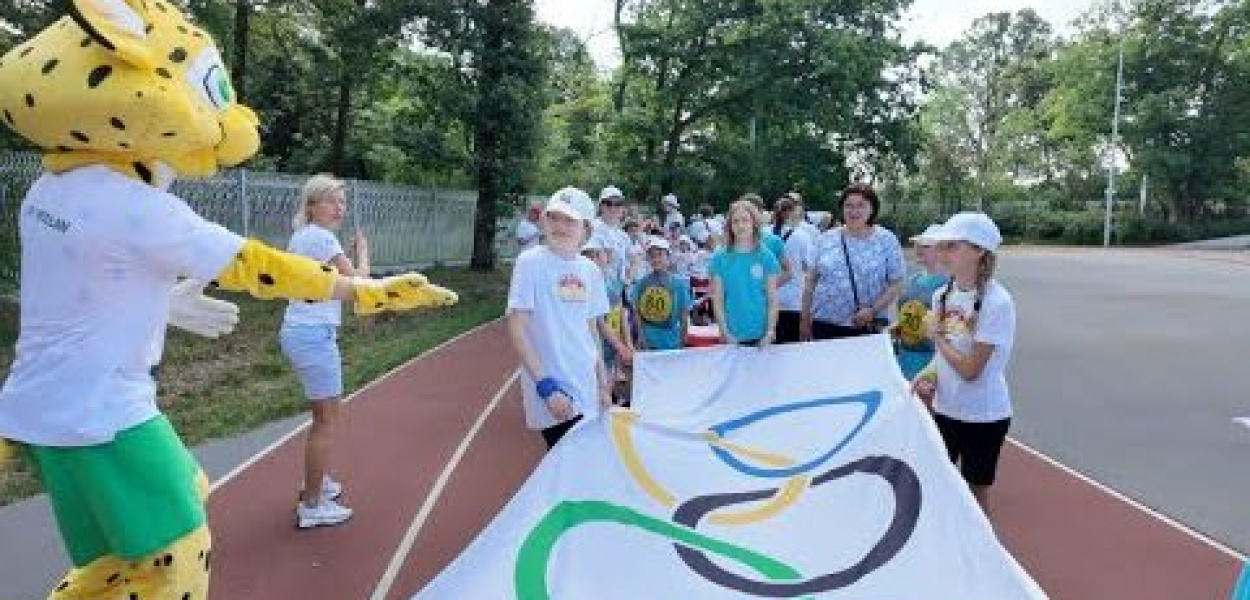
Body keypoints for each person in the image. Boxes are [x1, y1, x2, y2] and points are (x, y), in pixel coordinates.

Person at [280, 174, 369, 528]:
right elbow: (360, 284)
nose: (338, 208)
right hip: (312, 334)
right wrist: (363, 252)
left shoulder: (304, 237)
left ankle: (317, 483)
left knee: (325, 416)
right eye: (331, 201)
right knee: (326, 421)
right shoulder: (320, 236)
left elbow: (331, 280)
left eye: (341, 202)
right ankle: (312, 505)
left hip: (305, 331)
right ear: (312, 205)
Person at [912, 212, 1016, 514]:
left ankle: (981, 557)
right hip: (946, 410)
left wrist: (937, 338)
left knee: (975, 496)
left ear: (979, 251)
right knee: (939, 487)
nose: (942, 253)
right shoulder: (941, 296)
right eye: (941, 246)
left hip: (984, 416)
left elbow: (971, 370)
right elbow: (945, 356)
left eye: (952, 246)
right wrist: (927, 373)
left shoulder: (997, 303)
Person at [507, 187, 613, 449]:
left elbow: (591, 331)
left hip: (587, 386)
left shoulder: (590, 270)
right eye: (554, 217)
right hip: (553, 391)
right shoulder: (529, 263)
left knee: (587, 466)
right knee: (566, 468)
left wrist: (602, 383)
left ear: (585, 230)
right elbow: (517, 327)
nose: (560, 226)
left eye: (569, 220)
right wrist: (546, 387)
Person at [801, 183, 905, 341]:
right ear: (842, 209)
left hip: (867, 325)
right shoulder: (825, 239)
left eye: (861, 205)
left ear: (872, 208)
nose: (854, 211)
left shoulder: (886, 239)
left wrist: (872, 310)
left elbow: (896, 283)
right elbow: (810, 282)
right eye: (848, 205)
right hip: (824, 324)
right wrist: (804, 320)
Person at [709, 200, 781, 347]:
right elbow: (718, 300)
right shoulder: (719, 258)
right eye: (735, 221)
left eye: (745, 220)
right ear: (730, 226)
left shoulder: (766, 256)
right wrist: (724, 332)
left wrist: (769, 332)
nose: (740, 225)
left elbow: (772, 299)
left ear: (754, 223)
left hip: (761, 337)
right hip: (731, 336)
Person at [581, 235, 634, 403]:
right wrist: (620, 346)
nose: (593, 259)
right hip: (595, 349)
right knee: (597, 388)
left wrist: (628, 343)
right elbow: (599, 322)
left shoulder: (613, 282)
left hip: (612, 347)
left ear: (607, 256)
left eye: (597, 254)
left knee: (609, 382)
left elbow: (621, 313)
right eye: (588, 255)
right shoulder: (584, 285)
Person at [894, 224, 949, 379]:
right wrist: (893, 331)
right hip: (904, 360)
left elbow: (955, 334)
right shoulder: (913, 280)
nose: (918, 249)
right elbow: (906, 318)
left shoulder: (951, 286)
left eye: (926, 246)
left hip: (932, 364)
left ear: (942, 251)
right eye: (917, 245)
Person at [633, 238, 693, 352]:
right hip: (649, 342)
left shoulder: (678, 284)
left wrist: (683, 340)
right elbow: (637, 314)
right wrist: (641, 337)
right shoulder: (642, 283)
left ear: (668, 257)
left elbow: (684, 316)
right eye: (652, 256)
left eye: (660, 255)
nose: (656, 259)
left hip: (672, 342)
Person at [771, 197, 816, 344]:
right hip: (793, 300)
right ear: (792, 213)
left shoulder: (764, 235)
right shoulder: (801, 236)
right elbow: (809, 266)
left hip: (768, 300)